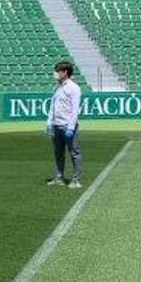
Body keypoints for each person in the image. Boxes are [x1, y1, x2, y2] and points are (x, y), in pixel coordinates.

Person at [46, 61, 83, 189]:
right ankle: (59, 177)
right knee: (58, 153)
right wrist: (49, 122)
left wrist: (71, 127)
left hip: (67, 126)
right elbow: (53, 106)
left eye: (57, 71)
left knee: (74, 153)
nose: (55, 73)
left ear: (65, 72)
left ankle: (76, 180)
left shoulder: (74, 88)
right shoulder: (57, 87)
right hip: (56, 126)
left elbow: (75, 110)